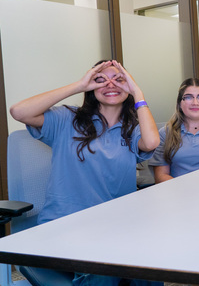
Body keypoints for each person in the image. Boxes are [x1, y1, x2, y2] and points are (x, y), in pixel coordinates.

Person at [10, 60, 161, 286]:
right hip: (64, 228)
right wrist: (79, 85)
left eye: (119, 79)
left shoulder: (134, 128)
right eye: (100, 79)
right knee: (104, 271)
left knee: (149, 273)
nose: (110, 84)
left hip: (115, 228)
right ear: (91, 87)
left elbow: (151, 142)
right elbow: (18, 111)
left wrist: (138, 92)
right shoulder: (67, 119)